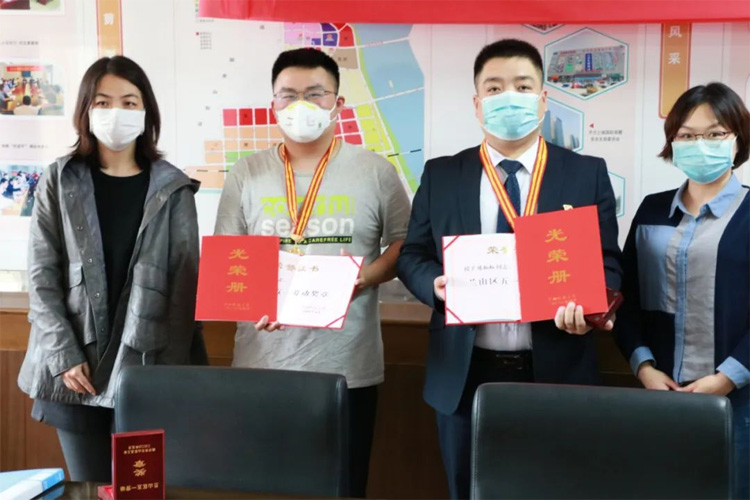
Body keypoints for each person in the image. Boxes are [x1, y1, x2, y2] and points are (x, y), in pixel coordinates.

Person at [396, 39, 623, 499]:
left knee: (554, 491)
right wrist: (435, 287)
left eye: (522, 86)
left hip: (556, 369)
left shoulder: (585, 173)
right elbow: (411, 254)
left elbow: (607, 262)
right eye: (495, 88)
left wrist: (592, 307)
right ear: (477, 103)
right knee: (468, 490)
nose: (509, 98)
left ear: (543, 98)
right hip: (464, 375)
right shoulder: (443, 174)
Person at [214, 47, 411, 497]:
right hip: (262, 365)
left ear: (338, 103)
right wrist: (250, 299)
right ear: (273, 105)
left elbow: (406, 244)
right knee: (262, 488)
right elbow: (230, 255)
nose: (300, 105)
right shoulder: (247, 172)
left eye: (314, 93)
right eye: (288, 95)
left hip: (346, 368)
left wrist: (362, 278)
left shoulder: (375, 171)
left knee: (342, 487)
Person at [17, 56, 207, 482]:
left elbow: (183, 292)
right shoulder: (59, 179)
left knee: (142, 490)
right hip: (74, 373)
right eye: (102, 102)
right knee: (90, 489)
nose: (116, 112)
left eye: (129, 102)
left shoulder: (175, 189)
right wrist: (64, 356)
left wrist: (164, 378)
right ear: (85, 110)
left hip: (147, 373)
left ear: (147, 111)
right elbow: (41, 277)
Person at [614, 82, 749, 499]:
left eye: (715, 133)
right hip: (661, 395)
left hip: (739, 400)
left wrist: (728, 377)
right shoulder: (652, 209)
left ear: (737, 139)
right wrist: (643, 366)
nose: (700, 144)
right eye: (687, 135)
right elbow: (628, 298)